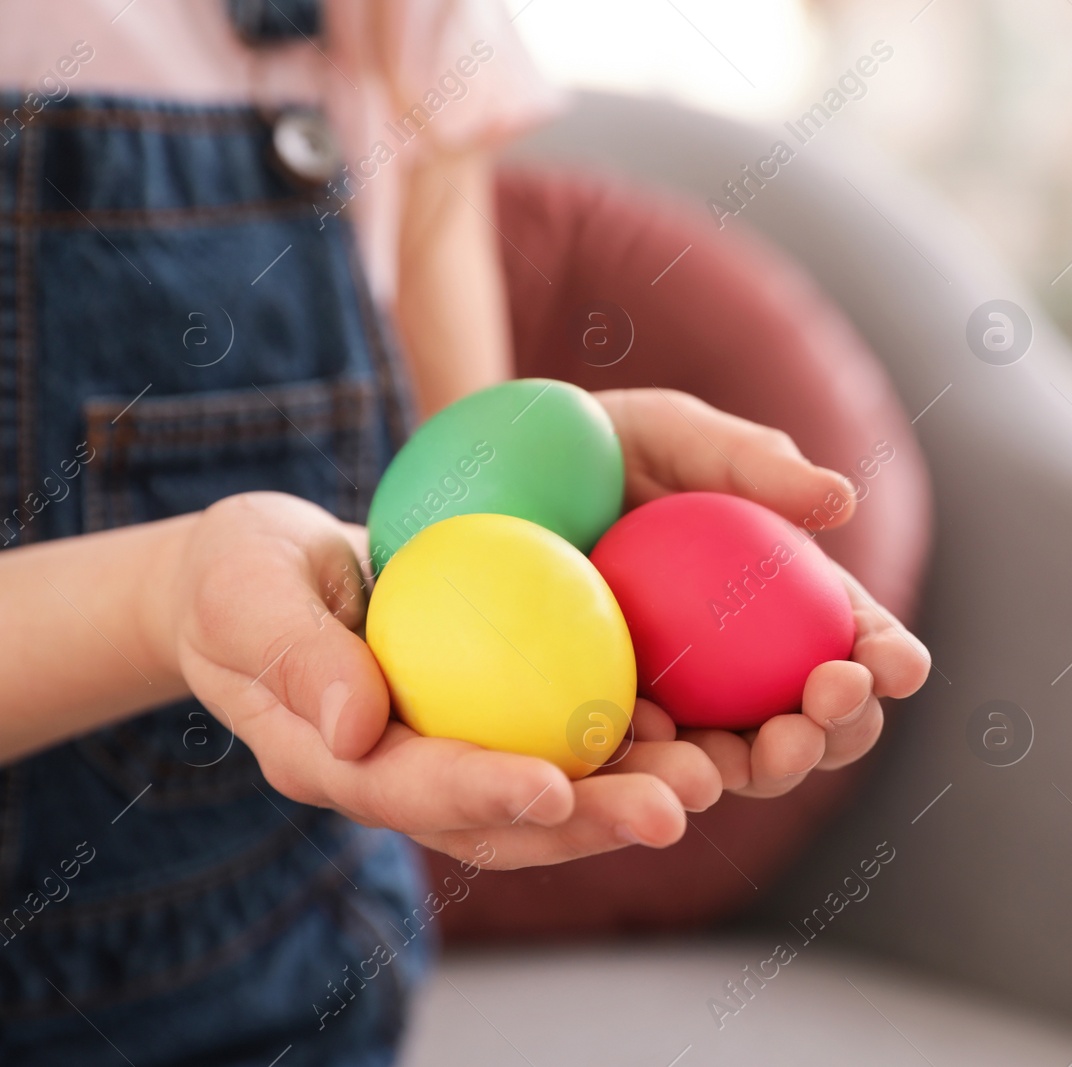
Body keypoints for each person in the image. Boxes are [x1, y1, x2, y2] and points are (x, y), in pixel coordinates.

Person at [0, 3, 930, 1064]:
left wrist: (575, 503)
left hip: (295, 974)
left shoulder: (398, 23)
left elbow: (479, 515)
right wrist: (159, 598)